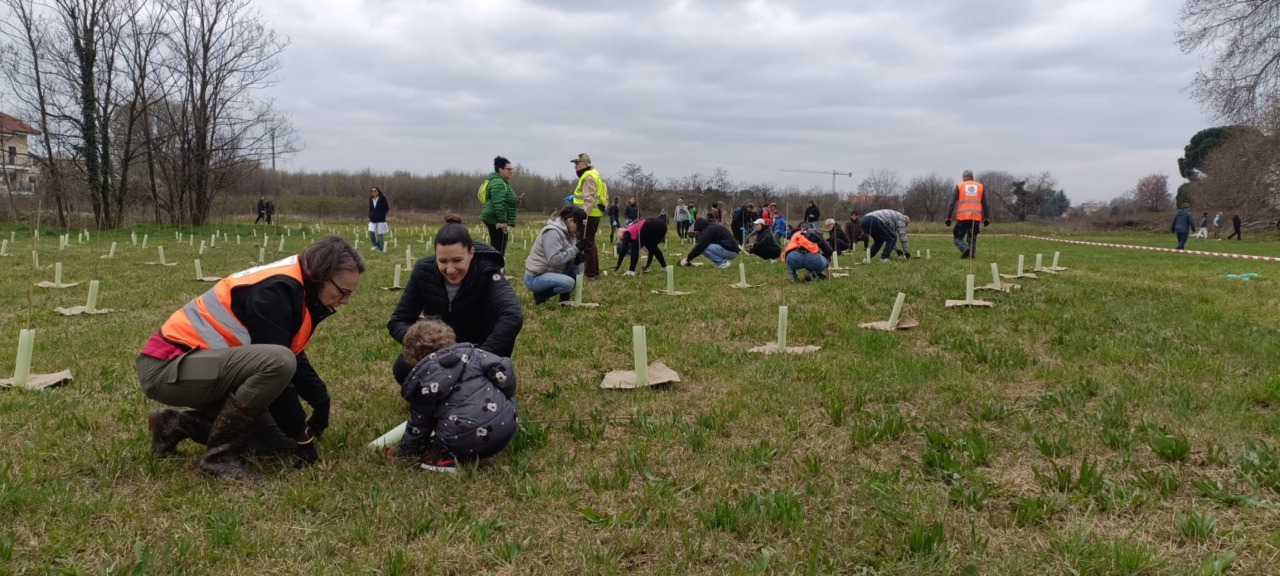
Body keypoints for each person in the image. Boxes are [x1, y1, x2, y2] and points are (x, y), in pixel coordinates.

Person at [137, 236, 366, 479]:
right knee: (278, 363)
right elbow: (280, 365)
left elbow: (293, 355)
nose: (345, 301)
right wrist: (303, 435)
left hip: (205, 367)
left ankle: (175, 424)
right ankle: (219, 457)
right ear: (321, 276)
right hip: (167, 367)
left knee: (283, 445)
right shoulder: (276, 291)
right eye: (342, 292)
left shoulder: (299, 287)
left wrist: (321, 402)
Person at [388, 215, 524, 385]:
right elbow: (398, 321)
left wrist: (479, 357)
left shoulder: (488, 271)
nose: (450, 269)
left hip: (481, 350)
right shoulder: (423, 270)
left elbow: (512, 315)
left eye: (457, 260)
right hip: (440, 351)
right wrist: (425, 342)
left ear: (471, 253)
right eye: (442, 261)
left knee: (485, 386)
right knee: (403, 369)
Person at [394, 319, 518, 473]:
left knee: (439, 433)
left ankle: (449, 459)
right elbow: (503, 369)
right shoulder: (474, 354)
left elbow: (419, 427)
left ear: (412, 358)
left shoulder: (422, 388)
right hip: (507, 426)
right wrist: (507, 395)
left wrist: (405, 453)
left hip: (465, 444)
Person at [524, 205, 586, 304]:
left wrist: (575, 260)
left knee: (578, 266)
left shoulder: (571, 234)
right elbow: (553, 259)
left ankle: (564, 297)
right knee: (568, 283)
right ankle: (540, 295)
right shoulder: (552, 232)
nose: (580, 229)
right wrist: (575, 250)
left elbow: (566, 258)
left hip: (552, 271)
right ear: (570, 220)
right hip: (535, 276)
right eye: (579, 225)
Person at [570, 153, 608, 279]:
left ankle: (590, 274)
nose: (575, 167)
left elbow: (590, 198)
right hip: (593, 214)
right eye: (575, 164)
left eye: (578, 164)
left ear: (586, 164)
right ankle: (594, 272)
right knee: (590, 243)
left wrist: (582, 215)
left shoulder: (588, 176)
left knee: (586, 244)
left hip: (588, 215)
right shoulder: (595, 174)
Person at [945, 170, 991, 259]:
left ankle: (965, 249)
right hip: (975, 217)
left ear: (964, 177)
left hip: (963, 218)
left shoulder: (960, 186)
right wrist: (987, 218)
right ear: (972, 177)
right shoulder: (980, 187)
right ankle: (971, 255)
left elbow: (952, 203)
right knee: (972, 239)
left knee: (957, 238)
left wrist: (948, 217)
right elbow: (985, 204)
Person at [481, 156, 518, 257]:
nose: (511, 171)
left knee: (497, 246)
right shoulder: (499, 183)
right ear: (500, 170)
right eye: (508, 169)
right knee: (498, 248)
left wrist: (515, 201)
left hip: (494, 218)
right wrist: (502, 222)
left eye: (512, 169)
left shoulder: (502, 182)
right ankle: (496, 269)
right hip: (495, 219)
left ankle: (495, 267)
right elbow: (498, 203)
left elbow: (504, 199)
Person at [367, 186, 390, 252]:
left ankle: (380, 247)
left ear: (378, 191)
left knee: (380, 234)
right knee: (370, 231)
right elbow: (371, 208)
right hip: (372, 219)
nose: (373, 192)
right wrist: (370, 215)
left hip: (380, 219)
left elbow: (386, 208)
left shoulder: (382, 198)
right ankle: (375, 245)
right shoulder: (371, 199)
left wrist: (382, 215)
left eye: (375, 191)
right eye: (372, 191)